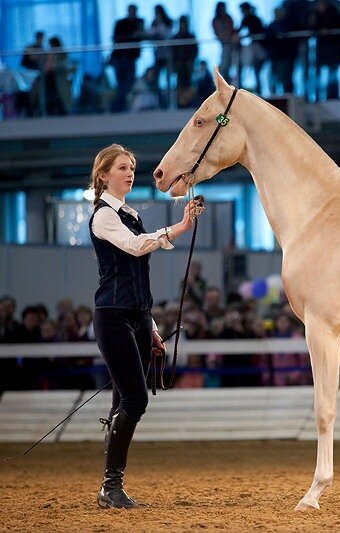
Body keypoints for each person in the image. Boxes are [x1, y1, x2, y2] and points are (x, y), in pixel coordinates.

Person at [88, 143, 204, 508]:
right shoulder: (104, 216)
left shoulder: (130, 213)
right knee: (135, 399)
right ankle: (110, 485)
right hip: (113, 316)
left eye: (132, 167)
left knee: (124, 400)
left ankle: (110, 486)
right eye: (122, 167)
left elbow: (138, 272)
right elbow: (136, 247)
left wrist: (150, 325)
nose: (130, 172)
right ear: (104, 174)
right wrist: (181, 226)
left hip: (136, 316)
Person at [111, 5, 145, 113]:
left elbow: (141, 36)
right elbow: (116, 38)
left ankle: (123, 107)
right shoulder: (121, 23)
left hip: (130, 58)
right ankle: (118, 108)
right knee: (121, 85)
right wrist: (131, 36)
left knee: (129, 84)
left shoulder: (139, 22)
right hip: (120, 57)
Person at [212, 2, 236, 79]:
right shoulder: (216, 20)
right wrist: (224, 35)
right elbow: (218, 33)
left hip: (231, 43)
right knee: (225, 63)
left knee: (229, 63)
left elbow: (231, 29)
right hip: (224, 43)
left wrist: (226, 34)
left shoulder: (228, 18)